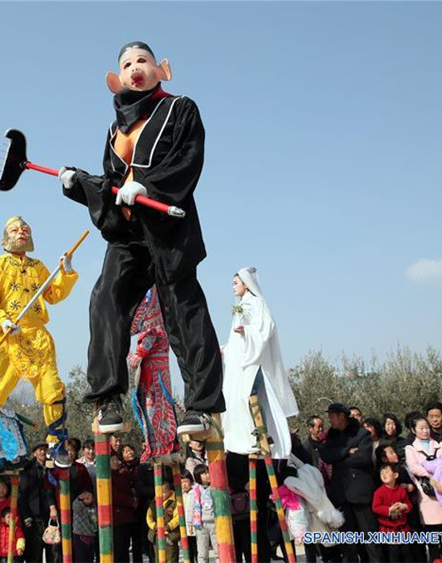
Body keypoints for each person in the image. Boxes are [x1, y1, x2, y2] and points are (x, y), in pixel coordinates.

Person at [59, 41, 224, 436]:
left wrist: (150, 185)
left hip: (169, 230)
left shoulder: (181, 108)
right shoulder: (114, 128)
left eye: (143, 61)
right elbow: (112, 185)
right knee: (105, 299)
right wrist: (79, 184)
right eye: (127, 63)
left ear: (161, 68)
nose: (135, 67)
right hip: (129, 235)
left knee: (183, 311)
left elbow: (189, 160)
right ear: (115, 79)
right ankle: (108, 399)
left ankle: (201, 406)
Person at [0, 216, 78, 470]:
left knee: (52, 387)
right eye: (15, 229)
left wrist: (65, 273)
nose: (21, 232)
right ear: (5, 236)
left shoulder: (38, 266)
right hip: (7, 335)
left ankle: (56, 444)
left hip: (36, 336)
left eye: (25, 230)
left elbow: (53, 295)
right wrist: (1, 320)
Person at [222, 267, 298, 459]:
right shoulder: (241, 306)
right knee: (239, 397)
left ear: (246, 284)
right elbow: (236, 339)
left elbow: (267, 326)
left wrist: (247, 332)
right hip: (242, 360)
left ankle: (262, 434)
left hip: (254, 360)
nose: (233, 287)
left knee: (250, 395)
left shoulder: (257, 302)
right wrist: (226, 348)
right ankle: (250, 436)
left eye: (235, 283)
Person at [319, 402, 383, 562]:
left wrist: (339, 457)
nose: (330, 420)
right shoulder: (331, 436)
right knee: (349, 540)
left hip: (360, 492)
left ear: (342, 416)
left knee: (370, 535)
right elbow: (325, 455)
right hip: (341, 492)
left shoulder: (362, 434)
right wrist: (347, 452)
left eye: (332, 416)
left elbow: (363, 458)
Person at [127, 287, 181, 461]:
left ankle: (160, 448)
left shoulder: (152, 303)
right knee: (155, 405)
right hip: (155, 369)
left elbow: (150, 334)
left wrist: (138, 354)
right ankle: (163, 446)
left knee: (153, 406)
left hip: (154, 371)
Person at [405, 414, 442, 563]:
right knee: (433, 533)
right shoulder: (411, 448)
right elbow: (414, 467)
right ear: (414, 430)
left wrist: (438, 472)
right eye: (421, 428)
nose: (425, 431)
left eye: (427, 428)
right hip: (429, 494)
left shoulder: (440, 445)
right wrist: (431, 474)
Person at [18, 443, 54, 563]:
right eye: (40, 450)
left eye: (44, 449)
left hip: (51, 516)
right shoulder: (28, 470)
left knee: (53, 552)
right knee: (35, 553)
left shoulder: (52, 467)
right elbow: (22, 496)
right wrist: (26, 516)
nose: (42, 452)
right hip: (34, 517)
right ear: (34, 453)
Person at [371, 463, 412, 561]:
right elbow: (375, 507)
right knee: (393, 555)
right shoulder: (379, 492)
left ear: (395, 475)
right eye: (381, 473)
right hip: (388, 528)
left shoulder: (401, 490)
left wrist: (404, 506)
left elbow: (409, 504)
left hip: (402, 527)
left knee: (407, 553)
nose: (384, 475)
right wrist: (389, 510)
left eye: (387, 472)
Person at [146, 477, 179, 562]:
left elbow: (177, 517)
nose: (162, 495)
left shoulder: (175, 501)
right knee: (158, 558)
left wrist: (169, 526)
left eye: (165, 492)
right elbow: (148, 517)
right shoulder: (153, 503)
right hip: (156, 535)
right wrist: (154, 526)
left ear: (169, 490)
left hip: (170, 535)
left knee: (171, 557)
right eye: (160, 492)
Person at [190, 465, 217, 563]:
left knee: (218, 549)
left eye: (208, 472)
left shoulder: (215, 487)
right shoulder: (196, 490)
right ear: (198, 476)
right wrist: (190, 523)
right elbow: (191, 507)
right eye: (204, 473)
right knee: (202, 552)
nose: (208, 475)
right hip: (200, 523)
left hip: (215, 522)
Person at [72, 490, 97, 563]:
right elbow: (75, 505)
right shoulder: (79, 507)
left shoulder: (93, 508)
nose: (88, 498)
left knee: (90, 559)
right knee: (80, 559)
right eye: (85, 497)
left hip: (91, 537)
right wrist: (80, 498)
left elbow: (95, 520)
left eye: (90, 497)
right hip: (80, 536)